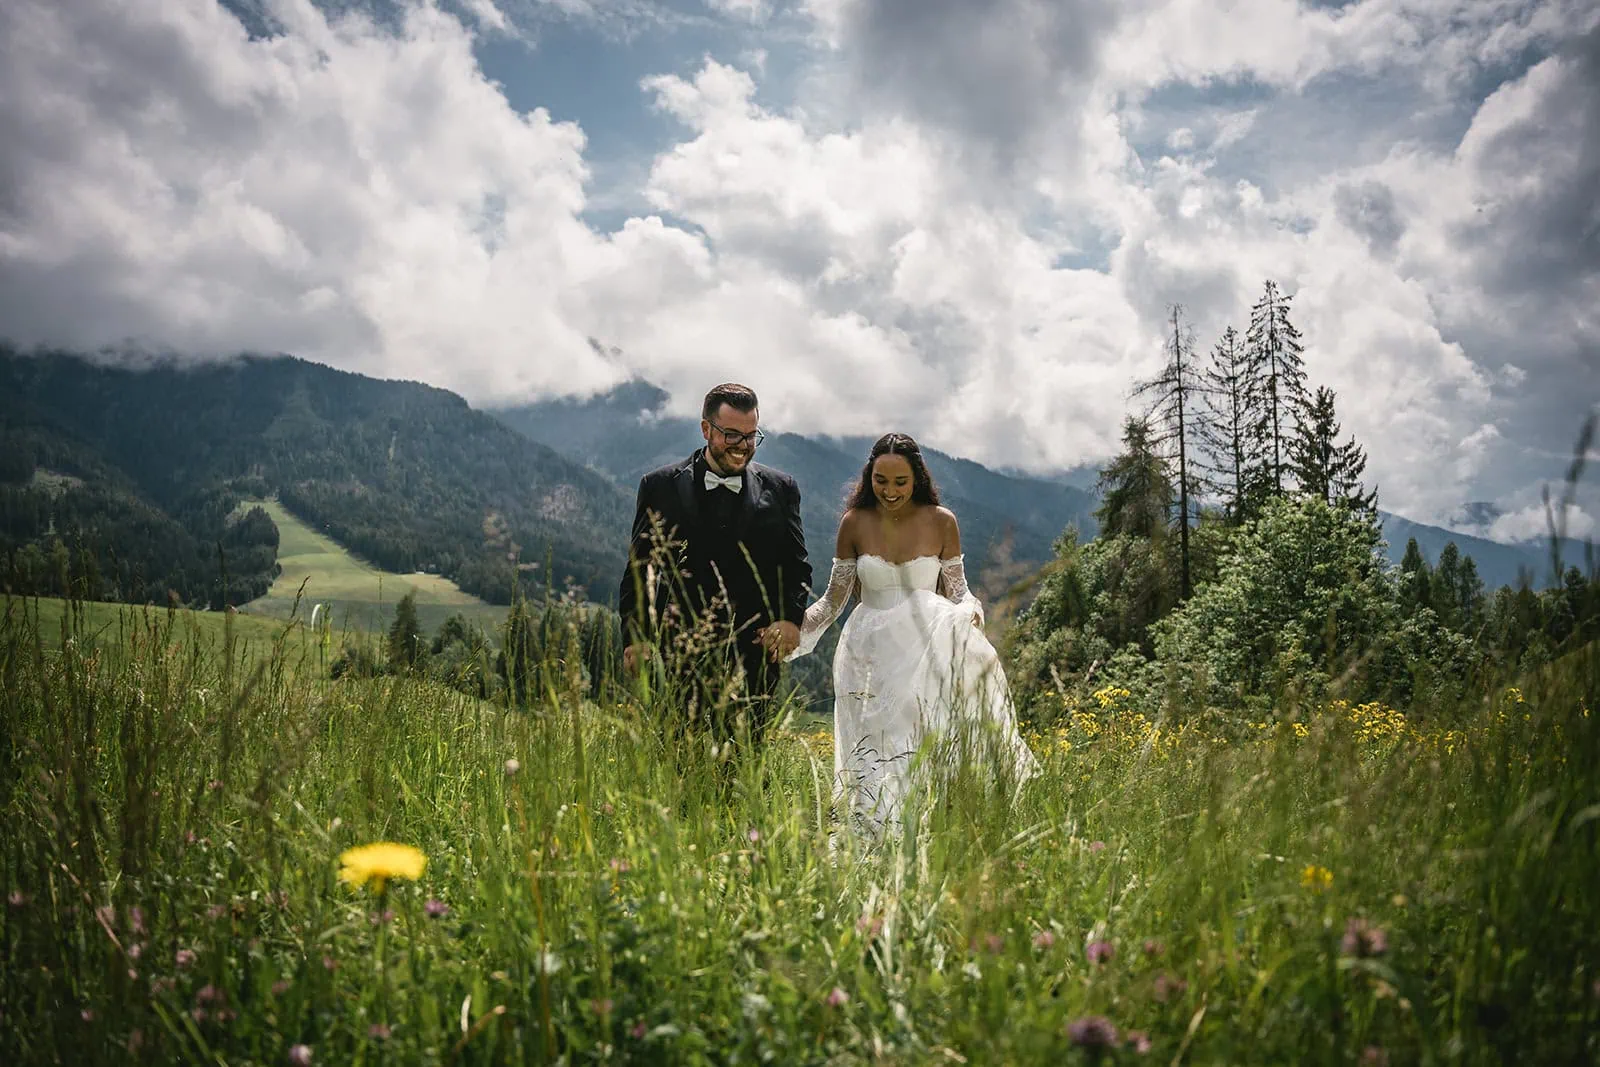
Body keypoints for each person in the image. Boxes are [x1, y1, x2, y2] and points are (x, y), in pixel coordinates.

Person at [786, 432, 1038, 834]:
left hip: (924, 651)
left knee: (916, 748)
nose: (889, 491)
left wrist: (971, 611)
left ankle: (921, 837)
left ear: (917, 478)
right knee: (871, 751)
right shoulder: (854, 523)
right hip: (867, 655)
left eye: (900, 482)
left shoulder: (942, 521)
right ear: (869, 477)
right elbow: (833, 601)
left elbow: (959, 591)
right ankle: (869, 840)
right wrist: (793, 633)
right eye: (880, 481)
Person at [618, 383, 811, 749]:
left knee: (744, 764)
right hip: (676, 653)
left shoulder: (782, 488)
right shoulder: (659, 486)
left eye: (752, 436)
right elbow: (641, 568)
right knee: (674, 760)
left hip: (752, 655)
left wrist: (789, 619)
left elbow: (796, 564)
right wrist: (637, 638)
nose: (742, 445)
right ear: (706, 430)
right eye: (732, 435)